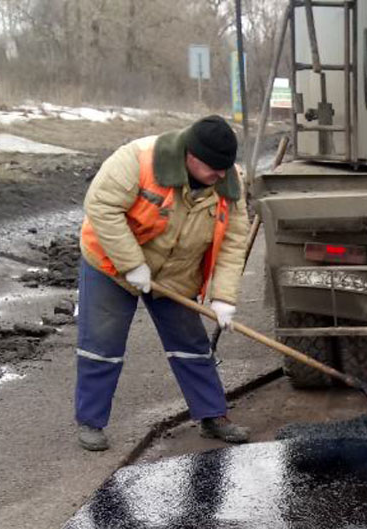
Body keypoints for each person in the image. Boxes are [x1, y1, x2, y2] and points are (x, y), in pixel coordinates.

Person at [74, 115, 250, 451]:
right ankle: (91, 422)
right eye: (214, 168)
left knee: (191, 345)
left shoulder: (229, 181)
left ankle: (213, 416)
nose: (221, 176)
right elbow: (101, 206)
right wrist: (132, 265)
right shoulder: (137, 160)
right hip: (111, 263)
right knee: (103, 344)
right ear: (191, 157)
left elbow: (233, 240)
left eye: (225, 168)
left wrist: (224, 298)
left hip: (175, 272)